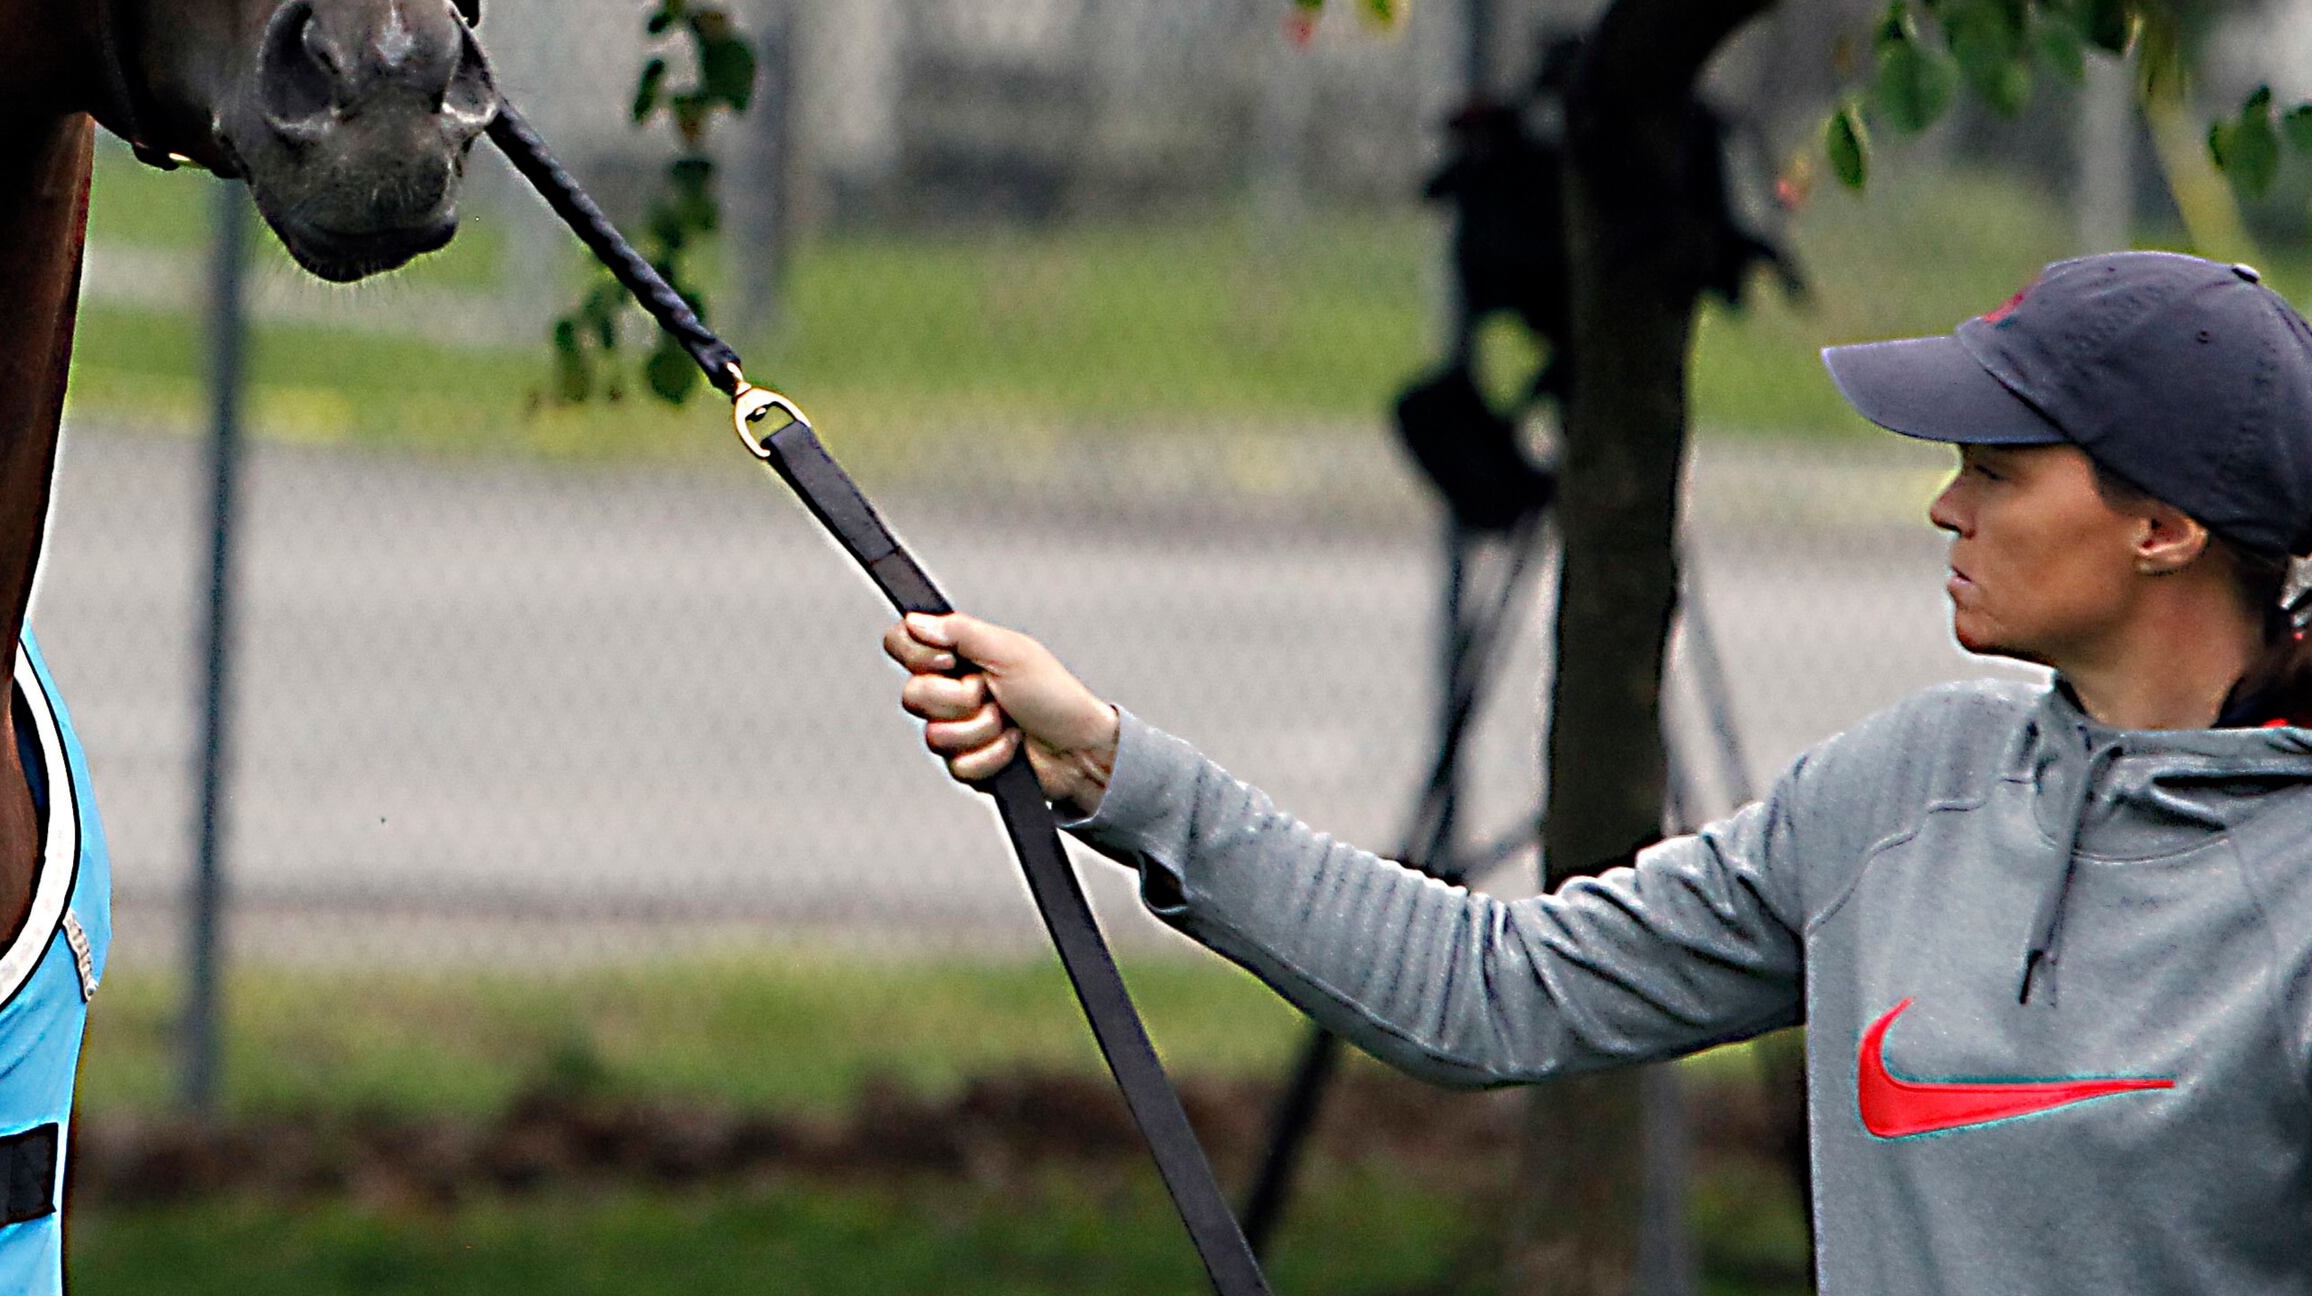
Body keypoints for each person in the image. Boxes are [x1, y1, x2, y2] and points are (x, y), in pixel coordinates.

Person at [886, 250, 2312, 1294]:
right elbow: (1492, 988)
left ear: (2164, 529)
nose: (1946, 500)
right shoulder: (1898, 789)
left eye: (1998, 469)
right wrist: (1116, 771)